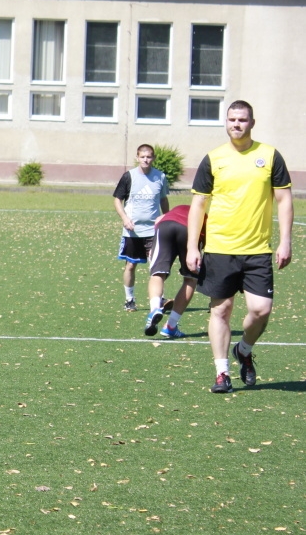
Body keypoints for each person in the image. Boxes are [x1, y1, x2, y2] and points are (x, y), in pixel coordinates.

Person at [187, 101, 293, 393]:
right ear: (226, 122)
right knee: (221, 310)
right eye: (232, 119)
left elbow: (283, 200)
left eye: (242, 119)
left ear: (252, 123)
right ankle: (222, 373)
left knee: (260, 310)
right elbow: (198, 204)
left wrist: (285, 241)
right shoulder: (213, 158)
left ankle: (243, 350)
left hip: (258, 249)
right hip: (220, 248)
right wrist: (192, 247)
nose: (236, 124)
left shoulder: (270, 156)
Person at [113, 144, 169, 311]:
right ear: (137, 157)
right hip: (133, 231)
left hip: (154, 230)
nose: (146, 159)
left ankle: (158, 298)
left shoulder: (160, 177)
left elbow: (163, 199)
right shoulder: (128, 176)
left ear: (153, 158)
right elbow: (117, 200)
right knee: (130, 266)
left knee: (156, 267)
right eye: (143, 156)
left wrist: (166, 218)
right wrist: (124, 218)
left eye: (149, 156)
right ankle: (129, 299)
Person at [145, 203, 206, 339]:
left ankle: (155, 309)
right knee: (190, 279)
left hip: (165, 226)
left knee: (157, 274)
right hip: (189, 231)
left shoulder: (176, 209)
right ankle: (171, 326)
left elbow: (158, 219)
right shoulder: (204, 216)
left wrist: (154, 245)